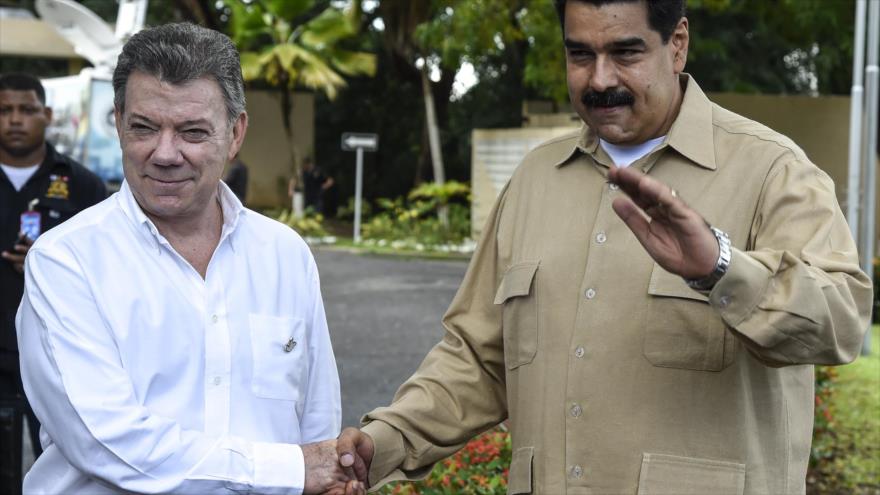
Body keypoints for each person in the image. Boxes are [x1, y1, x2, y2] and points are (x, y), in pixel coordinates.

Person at [335, 1, 873, 494]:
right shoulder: (534, 181)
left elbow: (844, 318)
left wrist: (720, 268)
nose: (600, 79)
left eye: (626, 52)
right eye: (580, 54)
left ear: (678, 43)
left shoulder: (771, 169)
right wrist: (383, 444)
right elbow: (478, 357)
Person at [16, 24, 362, 495]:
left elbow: (317, 421)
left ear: (235, 133)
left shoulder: (285, 255)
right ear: (117, 122)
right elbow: (105, 439)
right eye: (143, 127)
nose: (164, 154)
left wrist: (324, 473)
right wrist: (293, 471)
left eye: (192, 132)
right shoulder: (65, 262)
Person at [0, 72, 106, 483]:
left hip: (58, 359)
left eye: (26, 110)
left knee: (68, 473)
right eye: (4, 110)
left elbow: (113, 266)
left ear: (46, 114)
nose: (14, 120)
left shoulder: (82, 185)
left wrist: (53, 265)